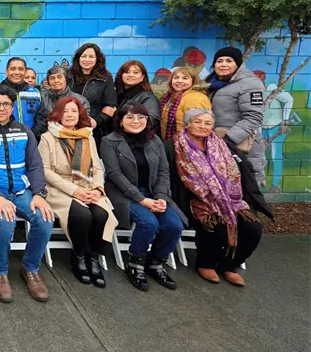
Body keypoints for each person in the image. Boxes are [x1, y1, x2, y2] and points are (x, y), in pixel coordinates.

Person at [0, 85, 54, 304]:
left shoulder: (24, 131)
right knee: (5, 220)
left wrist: (38, 193)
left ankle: (31, 269)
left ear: (13, 106)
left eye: (6, 104)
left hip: (21, 192)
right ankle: (0, 272)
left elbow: (35, 165)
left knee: (44, 218)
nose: (1, 108)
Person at [166, 109, 271, 287]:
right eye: (197, 122)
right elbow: (168, 175)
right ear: (188, 123)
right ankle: (206, 263)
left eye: (207, 123)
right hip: (194, 198)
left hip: (231, 199)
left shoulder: (223, 144)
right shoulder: (174, 145)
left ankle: (230, 265)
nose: (202, 126)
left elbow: (243, 169)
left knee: (253, 228)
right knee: (217, 226)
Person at [100, 103, 186, 292]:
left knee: (174, 225)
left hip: (154, 192)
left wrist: (162, 196)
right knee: (149, 223)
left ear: (147, 120)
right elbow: (115, 175)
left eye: (141, 117)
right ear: (120, 121)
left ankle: (156, 262)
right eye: (129, 117)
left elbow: (164, 171)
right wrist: (142, 200)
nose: (136, 121)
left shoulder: (155, 141)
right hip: (124, 194)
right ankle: (136, 262)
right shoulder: (109, 141)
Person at [38, 97, 117, 288]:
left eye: (74, 111)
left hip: (89, 186)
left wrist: (98, 189)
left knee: (101, 214)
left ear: (80, 114)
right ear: (58, 114)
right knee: (82, 215)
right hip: (60, 189)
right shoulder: (47, 137)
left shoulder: (87, 136)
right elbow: (45, 171)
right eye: (65, 111)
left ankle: (94, 258)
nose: (70, 115)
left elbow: (97, 167)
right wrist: (75, 191)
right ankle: (79, 256)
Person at [204, 47, 267, 186]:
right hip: (218, 143)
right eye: (219, 61)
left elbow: (254, 117)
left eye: (229, 60)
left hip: (241, 146)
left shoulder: (250, 83)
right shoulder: (212, 84)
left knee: (245, 190)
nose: (223, 64)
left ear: (238, 64)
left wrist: (228, 139)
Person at [255, 71, 294, 192]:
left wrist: (285, 120)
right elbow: (256, 113)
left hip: (276, 127)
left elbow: (289, 100)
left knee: (275, 156)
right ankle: (260, 183)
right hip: (262, 129)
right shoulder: (254, 93)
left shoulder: (272, 89)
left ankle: (275, 186)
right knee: (260, 156)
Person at [70, 43, 117, 142]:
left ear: (97, 59)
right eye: (84, 56)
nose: (87, 60)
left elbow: (110, 106)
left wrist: (96, 121)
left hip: (93, 130)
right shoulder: (68, 75)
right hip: (67, 127)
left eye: (91, 56)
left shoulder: (106, 78)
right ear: (78, 58)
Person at [32, 64, 91, 138]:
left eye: (59, 77)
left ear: (66, 79)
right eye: (52, 78)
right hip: (47, 139)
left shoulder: (80, 100)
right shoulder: (42, 98)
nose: (56, 81)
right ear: (48, 82)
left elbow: (83, 123)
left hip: (74, 138)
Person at [159, 66, 212, 140]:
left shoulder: (196, 98)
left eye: (185, 78)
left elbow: (199, 128)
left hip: (188, 143)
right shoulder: (170, 96)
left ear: (193, 81)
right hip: (173, 141)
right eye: (176, 78)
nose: (179, 81)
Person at [115, 60, 160, 133]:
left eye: (135, 72)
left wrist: (115, 114)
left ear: (142, 77)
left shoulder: (148, 98)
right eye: (127, 72)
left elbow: (151, 122)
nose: (131, 75)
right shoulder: (117, 95)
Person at [0, 57, 42, 130]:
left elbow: (41, 119)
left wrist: (32, 137)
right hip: (5, 139)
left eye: (21, 69)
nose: (17, 72)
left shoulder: (35, 93)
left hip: (31, 138)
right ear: (6, 72)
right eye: (13, 69)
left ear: (25, 72)